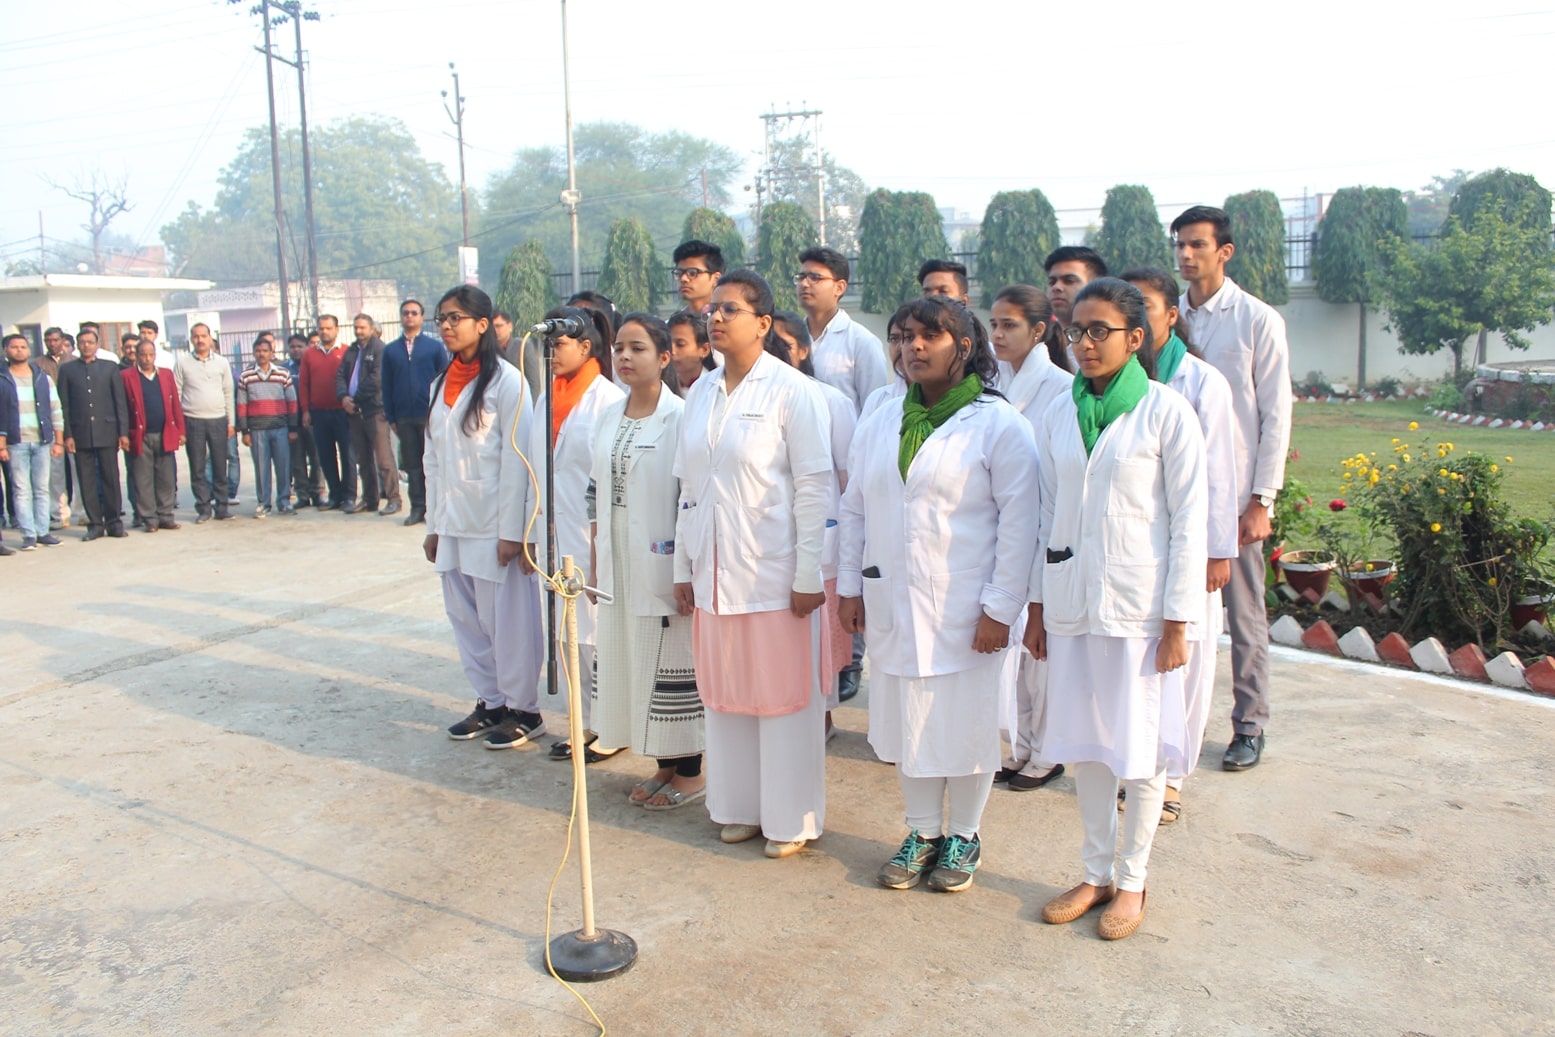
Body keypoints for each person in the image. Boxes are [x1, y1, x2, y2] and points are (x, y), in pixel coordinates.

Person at [1025, 278, 1207, 941]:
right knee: (1089, 748)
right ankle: (1094, 871)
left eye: (1099, 330)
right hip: (1073, 604)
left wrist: (1178, 620)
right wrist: (1038, 607)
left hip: (1141, 611)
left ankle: (1131, 880)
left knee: (1139, 752)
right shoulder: (1056, 414)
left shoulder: (1165, 413)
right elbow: (1048, 514)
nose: (1084, 343)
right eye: (1075, 331)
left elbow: (1190, 522)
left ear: (1136, 338)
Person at [839, 297, 1039, 893]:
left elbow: (1019, 523)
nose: (913, 348)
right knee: (908, 721)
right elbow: (854, 508)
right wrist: (850, 585)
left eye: (930, 336)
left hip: (968, 609)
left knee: (966, 725)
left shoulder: (999, 424)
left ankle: (965, 834)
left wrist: (1000, 609)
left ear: (966, 346)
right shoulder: (881, 415)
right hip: (893, 600)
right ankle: (923, 831)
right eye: (902, 337)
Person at [673, 269, 834, 860]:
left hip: (774, 574)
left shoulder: (793, 392)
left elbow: (816, 489)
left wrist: (809, 573)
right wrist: (682, 567)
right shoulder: (701, 392)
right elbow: (688, 485)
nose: (715, 317)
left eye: (731, 309)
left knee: (782, 700)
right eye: (712, 309)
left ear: (764, 323)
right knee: (726, 696)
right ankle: (738, 807)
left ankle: (790, 818)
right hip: (713, 570)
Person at [1171, 205, 1292, 772]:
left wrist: (1261, 499)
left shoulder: (1256, 321)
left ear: (1225, 251)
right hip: (1170, 492)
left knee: (1242, 613)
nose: (1186, 255)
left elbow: (1275, 414)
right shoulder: (1171, 319)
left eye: (1197, 244)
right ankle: (1167, 725)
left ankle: (1249, 723)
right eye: (1180, 245)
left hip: (1235, 496)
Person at [1123, 267, 1238, 823]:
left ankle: (1171, 778)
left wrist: (1218, 551)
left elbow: (1218, 474)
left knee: (1185, 664)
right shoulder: (1105, 385)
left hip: (1191, 544)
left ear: (1171, 316)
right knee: (1139, 666)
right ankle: (1137, 764)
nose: (1136, 316)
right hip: (1134, 547)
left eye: (1144, 305)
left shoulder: (1201, 383)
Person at [587, 313, 706, 809]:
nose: (624, 357)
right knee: (635, 665)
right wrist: (596, 555)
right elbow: (596, 489)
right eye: (618, 347)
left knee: (674, 663)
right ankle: (662, 764)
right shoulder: (608, 415)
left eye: (637, 348)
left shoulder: (680, 417)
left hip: (665, 564)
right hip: (618, 561)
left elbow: (691, 496)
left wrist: (686, 569)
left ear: (663, 358)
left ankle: (692, 772)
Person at [425, 285, 548, 749]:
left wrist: (513, 532)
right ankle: (490, 701)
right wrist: (434, 525)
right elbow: (431, 459)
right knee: (466, 618)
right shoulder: (440, 385)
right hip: (453, 522)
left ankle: (524, 709)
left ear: (483, 323)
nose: (448, 325)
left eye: (457, 317)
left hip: (494, 523)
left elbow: (518, 460)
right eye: (444, 318)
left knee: (508, 622)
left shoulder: (508, 382)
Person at [987, 284, 1074, 793]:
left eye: (1009, 325)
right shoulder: (993, 382)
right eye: (993, 324)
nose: (997, 334)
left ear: (1039, 331)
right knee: (1012, 651)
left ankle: (1047, 751)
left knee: (1041, 651)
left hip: (1045, 530)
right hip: (1002, 531)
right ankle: (1020, 746)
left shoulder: (1061, 388)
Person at [530, 305, 626, 760]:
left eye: (560, 342)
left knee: (596, 635)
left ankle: (609, 726)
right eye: (548, 343)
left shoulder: (608, 400)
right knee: (566, 634)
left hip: (592, 537)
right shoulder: (545, 395)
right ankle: (581, 722)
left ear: (585, 346)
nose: (552, 350)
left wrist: (600, 544)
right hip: (553, 535)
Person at [771, 311, 858, 723]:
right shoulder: (753, 400)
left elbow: (848, 480)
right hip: (768, 545)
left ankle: (819, 720)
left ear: (804, 350)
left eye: (783, 343)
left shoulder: (831, 401)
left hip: (822, 544)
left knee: (819, 645)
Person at [795, 246, 889, 413]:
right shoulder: (790, 338)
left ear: (839, 287)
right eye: (801, 277)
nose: (804, 283)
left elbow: (875, 410)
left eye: (815, 277)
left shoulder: (862, 342)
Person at [57, 327, 130, 540]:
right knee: (86, 480)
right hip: (80, 434)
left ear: (97, 345)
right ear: (77, 345)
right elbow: (65, 406)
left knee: (110, 478)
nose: (86, 345)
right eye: (82, 342)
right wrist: (67, 435)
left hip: (107, 430)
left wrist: (122, 432)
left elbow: (119, 402)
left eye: (90, 342)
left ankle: (114, 522)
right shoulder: (68, 370)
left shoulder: (109, 368)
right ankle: (95, 524)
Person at [382, 299, 450, 526]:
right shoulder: (391, 350)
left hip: (429, 414)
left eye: (414, 313)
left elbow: (444, 380)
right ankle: (417, 508)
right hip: (404, 416)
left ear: (422, 317)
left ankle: (436, 510)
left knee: (433, 464)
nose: (409, 316)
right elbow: (387, 385)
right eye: (405, 313)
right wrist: (391, 417)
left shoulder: (434, 347)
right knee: (412, 465)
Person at [0, 333, 65, 550]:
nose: (19, 350)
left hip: (42, 441)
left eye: (23, 347)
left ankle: (42, 532)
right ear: (5, 351)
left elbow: (56, 409)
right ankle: (28, 534)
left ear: (29, 351)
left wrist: (59, 441)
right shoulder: (3, 379)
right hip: (16, 442)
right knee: (21, 489)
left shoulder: (42, 377)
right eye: (14, 347)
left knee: (41, 489)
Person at [336, 314, 399, 515]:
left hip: (374, 410)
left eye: (362, 327)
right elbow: (339, 376)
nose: (359, 331)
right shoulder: (352, 351)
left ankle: (394, 499)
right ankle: (369, 499)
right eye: (356, 327)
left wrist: (356, 398)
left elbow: (377, 378)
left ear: (371, 328)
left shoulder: (380, 349)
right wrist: (344, 397)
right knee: (363, 459)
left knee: (384, 458)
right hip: (354, 413)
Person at [121, 338, 185, 532]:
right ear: (136, 355)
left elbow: (175, 405)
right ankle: (149, 519)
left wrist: (180, 431)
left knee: (166, 477)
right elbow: (122, 408)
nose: (147, 358)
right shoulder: (127, 376)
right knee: (143, 479)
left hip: (164, 432)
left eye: (150, 354)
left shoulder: (165, 375)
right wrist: (123, 435)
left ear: (155, 355)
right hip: (140, 435)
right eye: (143, 354)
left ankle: (166, 516)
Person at [176, 323, 234, 523]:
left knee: (220, 465)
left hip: (218, 420)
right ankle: (203, 508)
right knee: (197, 467)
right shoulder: (183, 363)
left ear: (210, 339)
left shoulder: (221, 363)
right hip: (193, 420)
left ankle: (222, 507)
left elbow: (228, 392)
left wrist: (231, 422)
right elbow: (176, 393)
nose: (200, 340)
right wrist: (179, 426)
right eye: (196, 336)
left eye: (203, 336)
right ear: (191, 339)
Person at [237, 336, 299, 518]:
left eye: (265, 351)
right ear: (254, 353)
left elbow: (292, 402)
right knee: (262, 468)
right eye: (258, 351)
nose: (261, 354)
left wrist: (293, 428)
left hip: (280, 427)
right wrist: (245, 431)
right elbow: (242, 405)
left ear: (272, 353)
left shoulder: (282, 374)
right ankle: (263, 503)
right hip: (257, 430)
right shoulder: (246, 376)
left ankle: (284, 502)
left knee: (283, 466)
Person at [300, 315, 354, 511]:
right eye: (321, 328)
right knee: (325, 456)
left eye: (328, 328)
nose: (324, 332)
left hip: (343, 412)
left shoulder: (347, 352)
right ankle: (335, 495)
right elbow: (304, 383)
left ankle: (349, 496)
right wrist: (306, 410)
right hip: (319, 412)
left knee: (348, 455)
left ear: (337, 329)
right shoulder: (309, 355)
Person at [1045, 246, 1108, 372]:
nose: (1057, 287)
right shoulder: (1040, 343)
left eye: (1069, 281)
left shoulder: (1110, 344)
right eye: (1052, 282)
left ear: (1096, 285)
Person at [284, 334, 327, 508]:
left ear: (307, 347)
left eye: (300, 346)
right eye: (293, 346)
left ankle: (317, 493)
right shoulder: (284, 369)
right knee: (297, 459)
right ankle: (302, 495)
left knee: (317, 458)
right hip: (292, 420)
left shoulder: (313, 366)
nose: (296, 350)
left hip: (313, 418)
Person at [495, 308, 544, 402]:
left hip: (519, 402)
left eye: (499, 326)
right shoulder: (486, 350)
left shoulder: (523, 346)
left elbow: (533, 382)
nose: (495, 330)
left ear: (510, 326)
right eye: (492, 327)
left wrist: (532, 409)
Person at [672, 239, 724, 314]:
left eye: (693, 273)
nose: (683, 279)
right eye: (679, 273)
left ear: (716, 278)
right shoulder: (672, 324)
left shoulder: (728, 321)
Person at [668, 310, 715, 391]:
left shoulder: (715, 387)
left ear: (704, 350)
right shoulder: (663, 387)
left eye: (680, 344)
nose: (672, 351)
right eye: (668, 344)